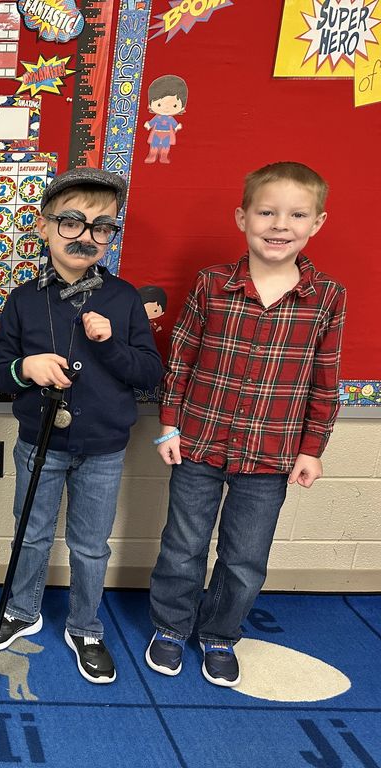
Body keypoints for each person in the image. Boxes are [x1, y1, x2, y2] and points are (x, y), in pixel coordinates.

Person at [146, 161, 345, 687]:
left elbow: (325, 379)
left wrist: (313, 448)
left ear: (317, 223)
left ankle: (219, 634)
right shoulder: (213, 283)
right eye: (266, 212)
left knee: (245, 557)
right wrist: (169, 425)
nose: (280, 225)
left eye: (296, 214)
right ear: (242, 217)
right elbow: (182, 356)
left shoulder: (326, 297)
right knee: (183, 544)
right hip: (199, 442)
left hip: (271, 453)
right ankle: (170, 627)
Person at [0, 167, 163, 684]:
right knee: (30, 534)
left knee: (91, 543)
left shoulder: (123, 299)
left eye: (102, 227)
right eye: (73, 222)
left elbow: (149, 372)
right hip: (40, 441)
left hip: (103, 447)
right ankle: (22, 609)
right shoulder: (23, 299)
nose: (86, 237)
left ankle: (85, 626)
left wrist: (111, 345)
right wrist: (25, 369)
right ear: (43, 226)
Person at [143, 74, 187, 164]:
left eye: (174, 105)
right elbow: (152, 122)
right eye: (159, 104)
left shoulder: (170, 119)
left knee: (165, 146)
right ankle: (152, 156)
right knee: (154, 145)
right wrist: (148, 124)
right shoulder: (157, 117)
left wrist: (177, 127)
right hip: (156, 133)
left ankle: (163, 157)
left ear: (181, 107)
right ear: (150, 104)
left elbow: (175, 125)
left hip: (167, 134)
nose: (166, 108)